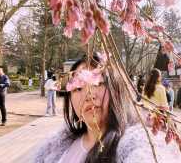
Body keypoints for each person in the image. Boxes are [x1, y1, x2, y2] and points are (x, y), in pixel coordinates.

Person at [34, 55, 181, 163]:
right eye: (78, 88)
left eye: (98, 84)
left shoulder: (138, 145)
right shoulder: (56, 148)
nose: (88, 95)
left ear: (116, 90)